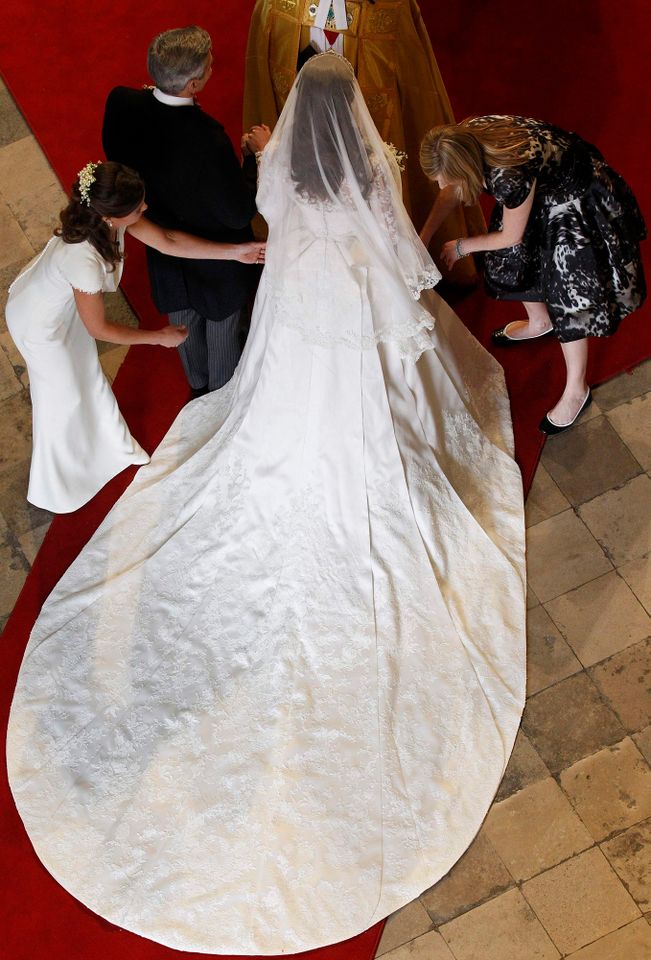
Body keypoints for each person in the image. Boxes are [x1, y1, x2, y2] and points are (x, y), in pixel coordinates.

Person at [7, 55, 525, 954]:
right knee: (372, 401)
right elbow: (400, 258)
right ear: (356, 123)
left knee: (273, 397)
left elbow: (275, 219)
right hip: (345, 306)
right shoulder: (367, 175)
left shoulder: (283, 174)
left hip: (296, 306)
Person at [5, 161, 264, 514]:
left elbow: (168, 241)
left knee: (87, 379)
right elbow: (99, 329)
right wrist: (158, 337)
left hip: (65, 310)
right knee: (61, 400)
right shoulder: (83, 259)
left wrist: (237, 253)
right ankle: (56, 485)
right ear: (113, 216)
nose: (145, 210)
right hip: (40, 326)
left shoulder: (106, 219)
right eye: (138, 208)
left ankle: (110, 446)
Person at [420, 115, 647, 433]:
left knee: (569, 297)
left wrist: (461, 247)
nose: (441, 186)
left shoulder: (507, 174)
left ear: (466, 169)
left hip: (573, 198)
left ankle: (576, 389)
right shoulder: (466, 137)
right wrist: (425, 237)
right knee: (511, 261)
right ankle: (540, 323)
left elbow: (510, 236)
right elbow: (451, 192)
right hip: (538, 189)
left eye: (447, 179)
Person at [243, 0, 485, 283]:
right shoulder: (274, 7)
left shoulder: (396, 9)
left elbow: (270, 202)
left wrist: (268, 154)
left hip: (307, 256)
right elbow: (389, 229)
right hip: (356, 256)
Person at [102, 25, 271, 396]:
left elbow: (114, 152)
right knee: (224, 332)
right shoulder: (207, 139)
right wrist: (255, 157)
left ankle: (196, 385)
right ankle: (222, 398)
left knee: (183, 325)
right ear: (193, 84)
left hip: (165, 256)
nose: (214, 65)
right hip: (217, 263)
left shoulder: (121, 102)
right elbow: (238, 212)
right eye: (209, 65)